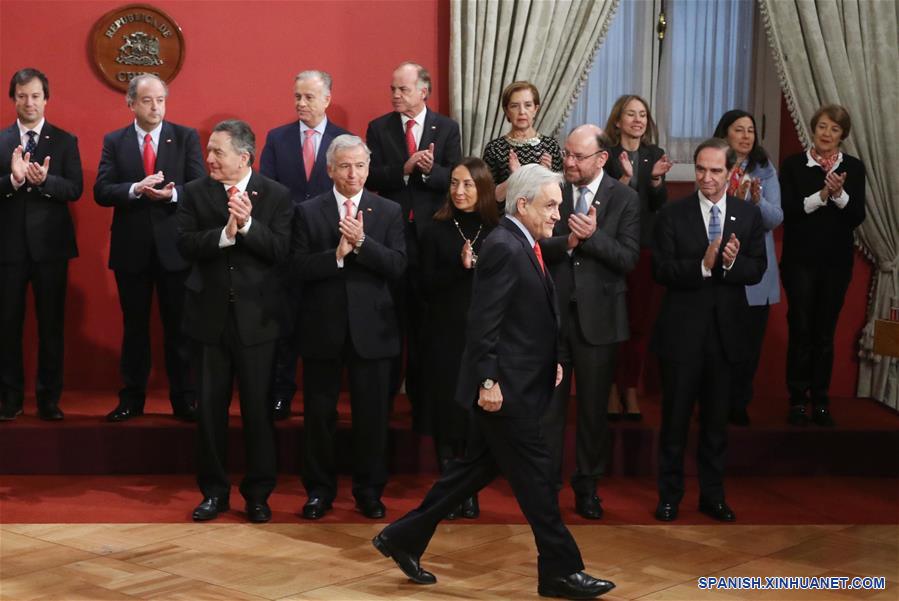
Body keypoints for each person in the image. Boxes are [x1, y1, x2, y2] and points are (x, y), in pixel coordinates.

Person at [373, 164, 615, 600]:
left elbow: (527, 317)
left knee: (474, 470)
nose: (558, 214)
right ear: (523, 204)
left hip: (520, 381)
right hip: (505, 391)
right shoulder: (504, 245)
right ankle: (561, 571)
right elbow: (483, 322)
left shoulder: (521, 241)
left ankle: (403, 537)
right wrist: (488, 380)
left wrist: (550, 360)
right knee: (538, 478)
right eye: (551, 205)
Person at [176, 120, 293, 523]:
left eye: (217, 152)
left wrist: (246, 226)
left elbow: (281, 251)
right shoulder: (194, 192)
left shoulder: (275, 195)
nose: (209, 158)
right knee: (209, 411)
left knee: (258, 413)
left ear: (244, 157)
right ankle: (213, 492)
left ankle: (258, 495)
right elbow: (184, 243)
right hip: (208, 320)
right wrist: (224, 235)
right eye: (209, 151)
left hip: (258, 322)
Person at [651, 138, 766, 523]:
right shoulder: (672, 214)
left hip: (726, 337)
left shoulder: (747, 217)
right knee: (674, 422)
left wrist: (731, 264)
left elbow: (757, 269)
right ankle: (669, 496)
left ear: (731, 171)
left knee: (716, 424)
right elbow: (661, 270)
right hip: (682, 335)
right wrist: (702, 263)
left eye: (716, 170)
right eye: (701, 169)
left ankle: (712, 496)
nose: (707, 177)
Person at [293, 135, 406, 520]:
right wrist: (336, 256)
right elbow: (296, 269)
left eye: (359, 165)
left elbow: (398, 266)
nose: (352, 173)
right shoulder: (308, 212)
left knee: (372, 418)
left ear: (369, 168)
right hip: (323, 330)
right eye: (344, 166)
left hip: (373, 331)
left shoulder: (388, 211)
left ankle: (369, 492)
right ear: (330, 170)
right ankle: (319, 492)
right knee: (319, 417)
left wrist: (362, 244)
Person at [539, 125, 640, 519]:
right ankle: (546, 486)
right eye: (566, 153)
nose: (568, 162)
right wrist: (567, 241)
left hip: (600, 321)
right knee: (549, 410)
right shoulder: (553, 190)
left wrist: (593, 237)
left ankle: (587, 486)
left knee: (594, 411)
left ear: (601, 159)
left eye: (578, 157)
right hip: (554, 317)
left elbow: (629, 258)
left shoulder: (625, 199)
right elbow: (535, 244)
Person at [94, 73, 205, 422]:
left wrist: (171, 194)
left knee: (179, 329)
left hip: (176, 248)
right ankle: (132, 398)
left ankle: (184, 399)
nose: (155, 106)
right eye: (147, 100)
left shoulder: (185, 137)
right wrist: (134, 189)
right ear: (131, 103)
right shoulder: (115, 141)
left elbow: (200, 186)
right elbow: (101, 190)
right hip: (132, 251)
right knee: (135, 328)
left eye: (160, 100)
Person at [365, 61, 462, 417]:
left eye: (402, 89)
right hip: (390, 238)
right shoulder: (379, 128)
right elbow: (371, 176)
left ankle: (422, 402)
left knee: (425, 326)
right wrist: (404, 170)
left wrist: (429, 171)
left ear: (424, 91)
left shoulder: (446, 128)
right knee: (389, 322)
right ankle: (385, 399)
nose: (395, 95)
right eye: (393, 88)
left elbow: (454, 178)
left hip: (431, 241)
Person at [260, 70, 350, 421]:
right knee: (284, 324)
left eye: (309, 97)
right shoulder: (278, 138)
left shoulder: (345, 139)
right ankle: (281, 392)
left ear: (327, 99)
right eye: (297, 96)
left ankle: (327, 399)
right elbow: (266, 187)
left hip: (329, 243)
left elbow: (350, 187)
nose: (301, 103)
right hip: (287, 242)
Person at [0, 68, 83, 421]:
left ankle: (49, 400)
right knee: (6, 326)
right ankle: (10, 399)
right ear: (13, 99)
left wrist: (47, 180)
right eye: (22, 96)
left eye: (35, 95)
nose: (29, 102)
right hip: (8, 250)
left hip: (51, 250)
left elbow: (75, 188)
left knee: (51, 327)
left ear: (46, 98)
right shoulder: (2, 140)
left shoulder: (65, 141)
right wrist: (14, 181)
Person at [419, 157, 498, 519]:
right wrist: (458, 266)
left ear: (482, 188)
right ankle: (449, 489)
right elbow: (421, 286)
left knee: (473, 414)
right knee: (448, 411)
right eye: (454, 183)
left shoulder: (495, 229)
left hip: (482, 335)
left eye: (467, 184)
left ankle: (470, 490)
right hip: (443, 334)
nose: (459, 191)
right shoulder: (435, 228)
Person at [779, 105, 866, 427]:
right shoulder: (793, 166)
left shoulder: (853, 168)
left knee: (824, 332)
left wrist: (840, 194)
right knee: (801, 328)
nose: (827, 134)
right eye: (822, 127)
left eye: (834, 129)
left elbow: (856, 216)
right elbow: (791, 210)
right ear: (813, 130)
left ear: (842, 135)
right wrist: (822, 194)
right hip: (799, 262)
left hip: (835, 264)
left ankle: (822, 399)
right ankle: (798, 399)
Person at [603, 94, 672, 420]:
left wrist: (656, 180)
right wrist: (626, 180)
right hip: (611, 249)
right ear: (618, 121)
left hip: (644, 248)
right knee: (610, 324)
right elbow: (604, 203)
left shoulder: (654, 155)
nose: (637, 120)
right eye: (630, 114)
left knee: (637, 324)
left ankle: (630, 388)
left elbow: (658, 205)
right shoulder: (606, 155)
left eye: (642, 114)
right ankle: (610, 390)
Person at [713, 109, 783, 426]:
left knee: (749, 344)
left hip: (755, 268)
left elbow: (774, 218)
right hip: (719, 266)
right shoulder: (714, 164)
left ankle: (739, 402)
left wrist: (756, 201)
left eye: (750, 130)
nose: (745, 136)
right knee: (717, 341)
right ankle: (714, 401)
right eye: (739, 130)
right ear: (725, 134)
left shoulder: (764, 169)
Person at [482, 81, 563, 206]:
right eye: (514, 106)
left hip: (541, 220)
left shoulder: (550, 146)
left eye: (528, 105)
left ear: (536, 109)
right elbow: (489, 197)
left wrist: (545, 176)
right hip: (505, 221)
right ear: (506, 111)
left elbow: (559, 196)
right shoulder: (495, 148)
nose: (522, 111)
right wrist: (515, 178)